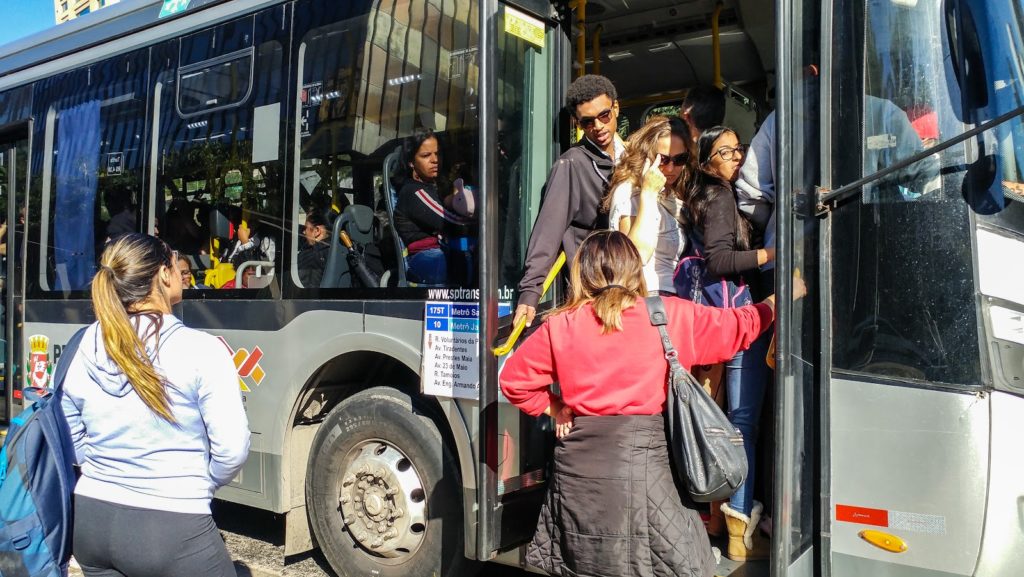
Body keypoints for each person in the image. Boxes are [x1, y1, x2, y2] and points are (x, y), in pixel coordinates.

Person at [500, 231, 783, 577]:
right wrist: (775, 303)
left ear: (581, 274)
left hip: (577, 480)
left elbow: (513, 381)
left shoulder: (559, 326)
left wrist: (556, 407)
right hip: (646, 472)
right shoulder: (668, 316)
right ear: (635, 270)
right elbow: (739, 327)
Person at [61, 233, 250, 577]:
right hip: (173, 530)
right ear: (164, 274)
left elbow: (71, 441)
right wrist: (199, 485)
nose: (182, 272)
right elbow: (232, 451)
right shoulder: (202, 349)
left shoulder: (81, 344)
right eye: (176, 263)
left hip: (90, 520)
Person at [683, 126, 774, 561]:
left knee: (726, 418)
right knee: (743, 423)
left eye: (738, 149)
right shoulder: (719, 198)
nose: (736, 158)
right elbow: (719, 259)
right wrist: (771, 255)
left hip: (717, 319)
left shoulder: (708, 196)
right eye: (725, 152)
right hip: (739, 321)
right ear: (705, 163)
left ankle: (724, 519)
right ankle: (738, 522)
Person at [513, 74, 626, 328]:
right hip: (594, 290)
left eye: (604, 115)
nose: (598, 126)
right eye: (587, 122)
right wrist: (530, 293)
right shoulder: (571, 163)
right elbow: (547, 232)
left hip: (629, 283)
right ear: (578, 123)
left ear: (616, 107)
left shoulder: (629, 156)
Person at [606, 115, 693, 295]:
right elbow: (636, 256)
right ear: (647, 157)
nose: (670, 169)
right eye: (663, 160)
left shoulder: (673, 195)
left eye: (680, 160)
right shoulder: (631, 192)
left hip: (676, 294)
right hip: (648, 296)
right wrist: (648, 193)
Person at [393, 129, 474, 285]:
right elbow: (452, 221)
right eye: (426, 155)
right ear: (411, 162)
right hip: (424, 257)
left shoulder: (434, 187)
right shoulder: (413, 191)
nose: (435, 160)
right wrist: (484, 221)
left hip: (443, 250)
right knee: (463, 262)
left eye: (437, 154)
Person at [298, 210, 330, 288]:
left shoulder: (311, 257)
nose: (304, 232)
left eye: (306, 228)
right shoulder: (337, 249)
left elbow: (307, 290)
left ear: (317, 231)